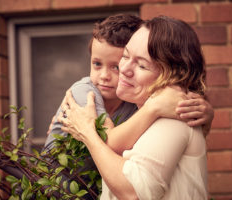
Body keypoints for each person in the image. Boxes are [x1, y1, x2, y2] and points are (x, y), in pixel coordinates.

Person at [60, 16, 209, 199]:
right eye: (125, 56)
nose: (124, 69)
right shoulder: (141, 112)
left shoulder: (173, 116)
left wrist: (87, 132)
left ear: (173, 75)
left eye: (141, 65)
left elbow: (133, 191)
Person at [44, 14, 214, 155]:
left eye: (116, 67)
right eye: (97, 64)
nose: (104, 76)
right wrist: (153, 108)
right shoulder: (84, 93)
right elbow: (111, 141)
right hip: (55, 185)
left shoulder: (135, 100)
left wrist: (204, 115)